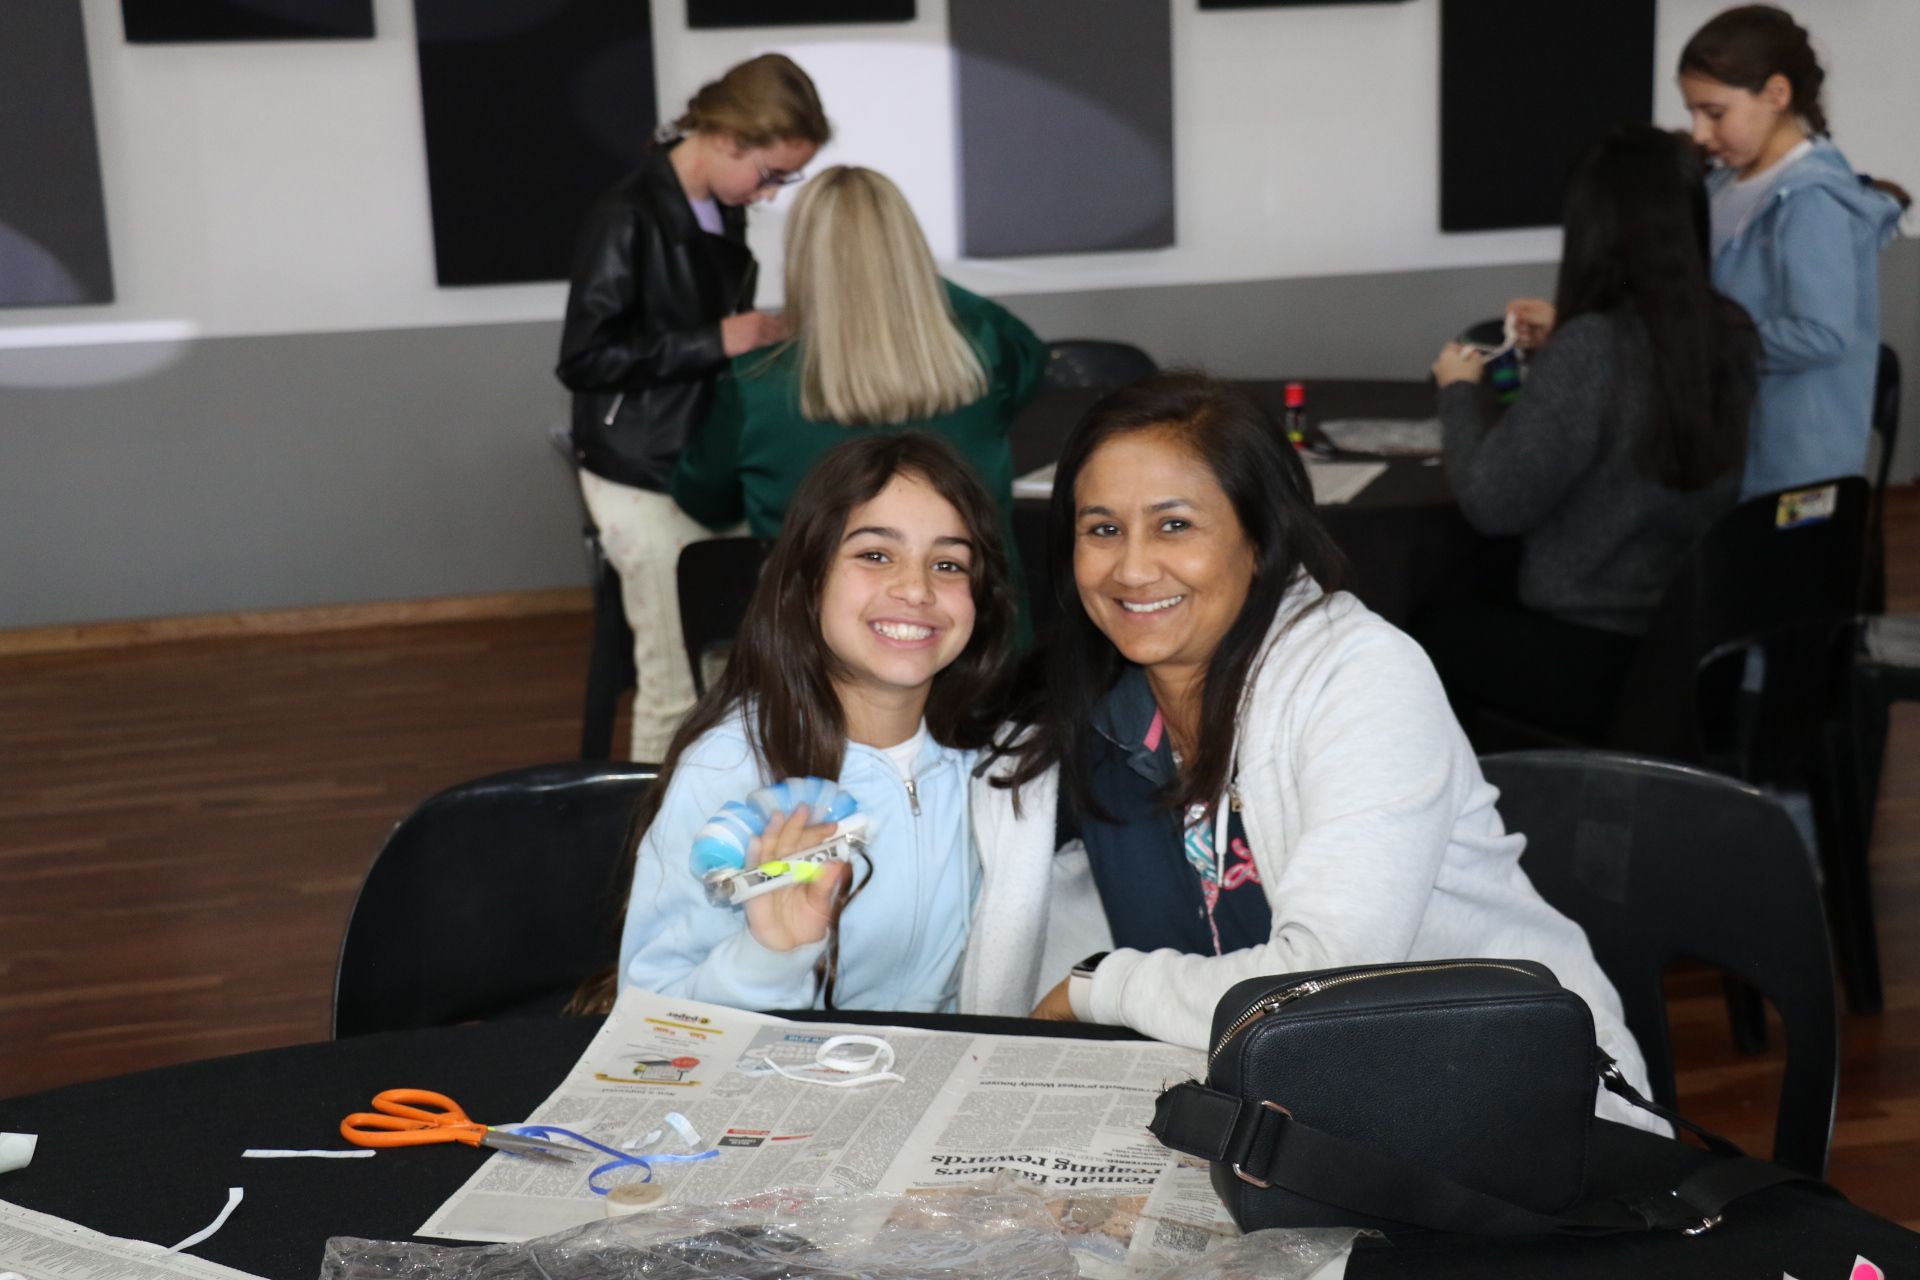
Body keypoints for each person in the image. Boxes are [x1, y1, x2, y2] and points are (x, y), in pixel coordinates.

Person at [963, 373, 1664, 1130]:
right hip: (1286, 1115)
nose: (1131, 568)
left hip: (1504, 1107)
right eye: (1101, 529)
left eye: (1174, 526)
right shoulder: (1093, 711)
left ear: (1259, 536)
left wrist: (1103, 986)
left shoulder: (1362, 675)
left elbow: (1325, 982)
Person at [595, 432, 1018, 1014]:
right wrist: (770, 954)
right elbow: (654, 1015)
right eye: (875, 555)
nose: (916, 589)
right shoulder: (730, 769)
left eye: (948, 564)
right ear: (809, 580)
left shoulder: (1000, 764)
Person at [1419, 125, 1759, 742]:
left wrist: (1460, 391)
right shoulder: (1728, 332)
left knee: (1415, 633)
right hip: (1688, 638)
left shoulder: (1593, 349)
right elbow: (1639, 371)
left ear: (1595, 229)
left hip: (1592, 651)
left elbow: (1493, 502)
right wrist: (1572, 335)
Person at [555, 55, 831, 763]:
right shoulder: (627, 215)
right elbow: (584, 361)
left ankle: (722, 818)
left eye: (785, 181)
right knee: (674, 680)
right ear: (727, 137)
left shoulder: (719, 206)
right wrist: (716, 340)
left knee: (729, 662)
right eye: (770, 175)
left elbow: (698, 327)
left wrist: (746, 339)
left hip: (698, 456)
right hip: (638, 467)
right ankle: (646, 853)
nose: (769, 196)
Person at [1509, 6, 1904, 499]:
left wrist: (1692, 343)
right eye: (1693, 112)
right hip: (1726, 450)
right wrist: (1577, 326)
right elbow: (1683, 301)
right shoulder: (1719, 185)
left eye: (1715, 113)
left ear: (1776, 95)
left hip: (1789, 468)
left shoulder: (1811, 202)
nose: (1698, 134)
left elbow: (1819, 335)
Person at [670, 166, 1049, 636]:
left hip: (820, 661)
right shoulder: (984, 359)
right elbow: (1032, 354)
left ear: (803, 262)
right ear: (912, 253)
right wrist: (910, 280)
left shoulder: (754, 383)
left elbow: (703, 500)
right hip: (982, 652)